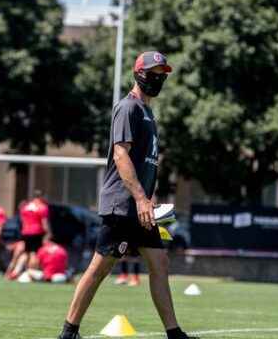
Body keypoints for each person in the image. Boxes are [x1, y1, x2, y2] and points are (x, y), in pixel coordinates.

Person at [57, 51, 197, 339]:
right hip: (123, 204)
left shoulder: (148, 113)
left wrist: (148, 200)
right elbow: (121, 154)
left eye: (162, 74)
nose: (158, 78)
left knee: (159, 262)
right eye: (153, 73)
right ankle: (68, 332)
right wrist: (140, 198)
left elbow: (145, 164)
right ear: (138, 74)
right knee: (100, 267)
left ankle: (174, 333)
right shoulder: (128, 108)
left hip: (140, 206)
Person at [19, 191, 51, 274]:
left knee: (26, 253)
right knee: (34, 253)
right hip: (36, 232)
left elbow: (22, 220)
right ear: (41, 197)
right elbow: (44, 223)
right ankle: (31, 272)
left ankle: (19, 271)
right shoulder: (42, 207)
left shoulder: (26, 206)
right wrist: (48, 233)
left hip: (25, 232)